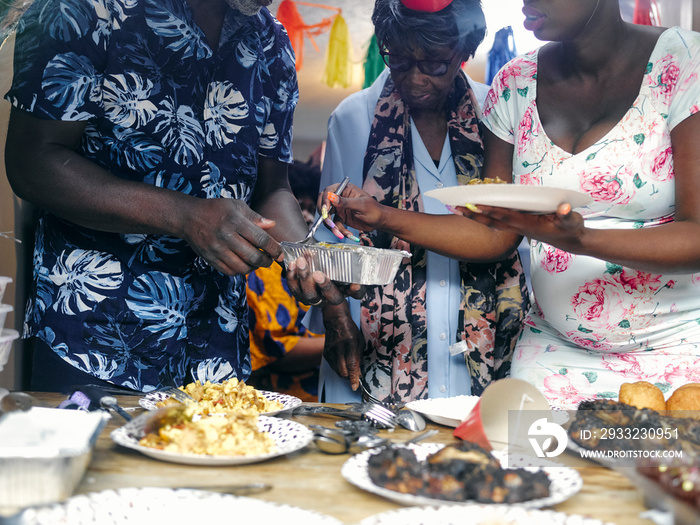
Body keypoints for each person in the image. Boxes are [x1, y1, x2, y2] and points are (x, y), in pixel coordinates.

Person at [327, 0, 700, 409]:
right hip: (550, 354)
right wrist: (382, 216)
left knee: (659, 471)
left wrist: (582, 239)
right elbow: (495, 234)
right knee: (533, 468)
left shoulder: (684, 63)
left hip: (673, 350)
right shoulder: (515, 82)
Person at [3, 0, 313, 392]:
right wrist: (184, 216)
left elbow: (273, 189)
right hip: (95, 344)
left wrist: (306, 256)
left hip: (217, 357)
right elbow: (32, 161)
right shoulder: (87, 7)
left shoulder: (272, 43)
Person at [294, 0, 530, 404]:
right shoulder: (351, 120)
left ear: (464, 52)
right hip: (378, 350)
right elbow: (331, 240)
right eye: (400, 60)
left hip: (484, 352)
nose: (416, 79)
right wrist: (335, 321)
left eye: (435, 64)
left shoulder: (498, 117)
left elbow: (513, 239)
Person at [247, 159, 325, 402]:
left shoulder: (315, 259)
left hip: (325, 394)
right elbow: (280, 350)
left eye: (311, 208)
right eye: (298, 205)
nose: (305, 214)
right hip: (283, 401)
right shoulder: (263, 269)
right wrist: (348, 341)